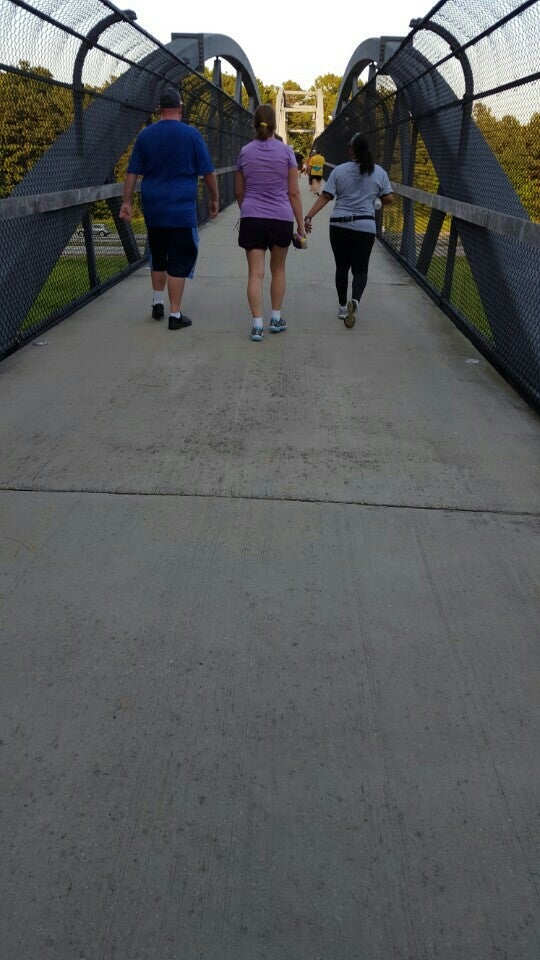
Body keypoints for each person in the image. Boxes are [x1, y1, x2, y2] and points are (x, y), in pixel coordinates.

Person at [120, 86, 219, 330]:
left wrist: (126, 201)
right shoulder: (192, 135)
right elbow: (208, 173)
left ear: (159, 109)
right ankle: (175, 315)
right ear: (181, 108)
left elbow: (132, 171)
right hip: (181, 210)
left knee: (158, 254)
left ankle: (157, 301)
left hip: (154, 208)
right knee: (178, 259)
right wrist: (214, 198)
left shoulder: (145, 135)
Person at [304, 132, 393, 328]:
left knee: (342, 268)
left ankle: (343, 306)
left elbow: (326, 196)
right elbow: (389, 198)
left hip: (339, 225)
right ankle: (356, 301)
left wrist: (309, 216)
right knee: (360, 270)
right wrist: (375, 199)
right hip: (365, 227)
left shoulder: (340, 171)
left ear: (351, 149)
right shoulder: (378, 172)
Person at [234, 104, 306, 342]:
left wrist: (248, 210)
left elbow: (238, 192)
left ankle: (256, 325)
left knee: (255, 273)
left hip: (252, 217)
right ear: (275, 124)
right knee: (278, 269)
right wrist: (301, 226)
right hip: (280, 218)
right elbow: (294, 193)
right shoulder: (287, 153)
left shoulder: (245, 152)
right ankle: (276, 318)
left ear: (254, 124)